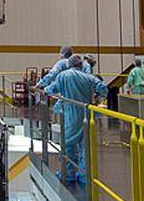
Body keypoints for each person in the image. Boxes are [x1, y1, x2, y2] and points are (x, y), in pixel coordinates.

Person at [45, 55, 108, 184]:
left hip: (70, 115)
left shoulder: (63, 76)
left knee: (68, 144)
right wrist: (97, 99)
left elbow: (51, 89)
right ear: (81, 65)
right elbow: (103, 89)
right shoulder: (89, 78)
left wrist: (43, 89)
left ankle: (68, 173)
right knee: (85, 146)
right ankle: (85, 175)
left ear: (69, 64)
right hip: (87, 115)